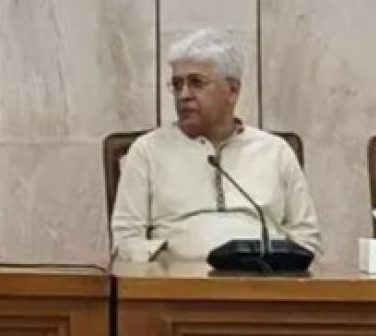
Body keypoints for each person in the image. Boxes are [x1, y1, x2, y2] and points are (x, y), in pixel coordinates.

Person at [111, 28, 322, 262]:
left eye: (196, 83)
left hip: (263, 279)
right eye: (177, 84)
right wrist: (169, 265)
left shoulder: (275, 151)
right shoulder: (148, 151)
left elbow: (307, 238)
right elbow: (126, 241)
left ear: (232, 90)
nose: (183, 95)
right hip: (178, 280)